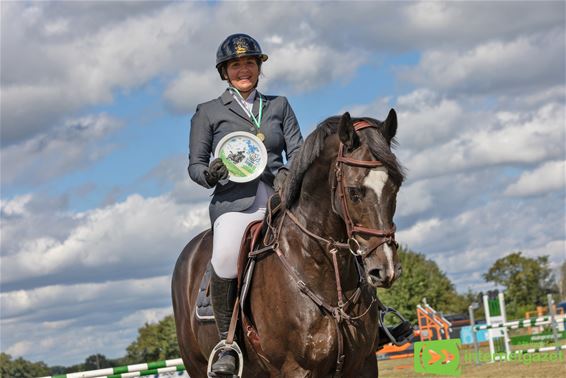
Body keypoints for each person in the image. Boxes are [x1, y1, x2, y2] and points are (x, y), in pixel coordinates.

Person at [188, 33, 303, 376]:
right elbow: (195, 165)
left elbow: (297, 150)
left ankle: (376, 312)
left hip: (281, 195)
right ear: (225, 71)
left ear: (258, 67)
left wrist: (290, 175)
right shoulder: (208, 112)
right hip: (235, 201)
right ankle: (227, 343)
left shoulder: (279, 104)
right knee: (224, 257)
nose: (244, 70)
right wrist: (211, 174)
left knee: (330, 228)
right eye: (236, 65)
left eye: (249, 63)